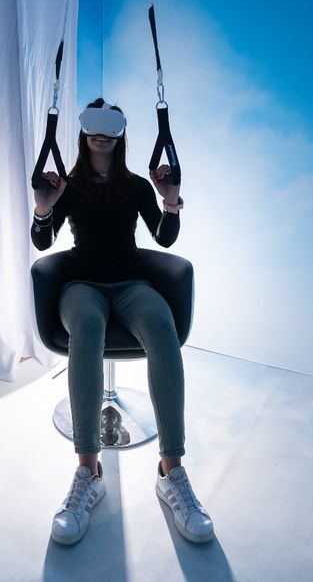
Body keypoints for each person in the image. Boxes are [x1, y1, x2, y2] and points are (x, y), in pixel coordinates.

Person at [31, 98, 214, 545]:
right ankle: (88, 472)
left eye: (109, 125)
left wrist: (169, 202)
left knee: (162, 327)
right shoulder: (68, 186)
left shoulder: (135, 186)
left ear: (120, 134)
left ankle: (171, 471)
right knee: (87, 330)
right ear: (83, 132)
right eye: (93, 124)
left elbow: (164, 238)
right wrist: (44, 209)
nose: (100, 133)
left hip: (131, 283)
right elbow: (42, 243)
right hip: (81, 284)